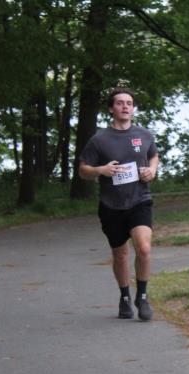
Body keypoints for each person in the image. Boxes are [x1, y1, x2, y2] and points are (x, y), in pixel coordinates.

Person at [78, 87, 160, 321]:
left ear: (133, 108)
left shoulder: (144, 135)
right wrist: (101, 170)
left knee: (143, 248)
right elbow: (83, 170)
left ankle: (142, 296)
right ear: (111, 109)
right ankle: (124, 297)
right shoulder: (99, 140)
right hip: (111, 205)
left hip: (140, 200)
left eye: (129, 103)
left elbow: (153, 155)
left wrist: (152, 170)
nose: (125, 106)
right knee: (120, 253)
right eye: (120, 103)